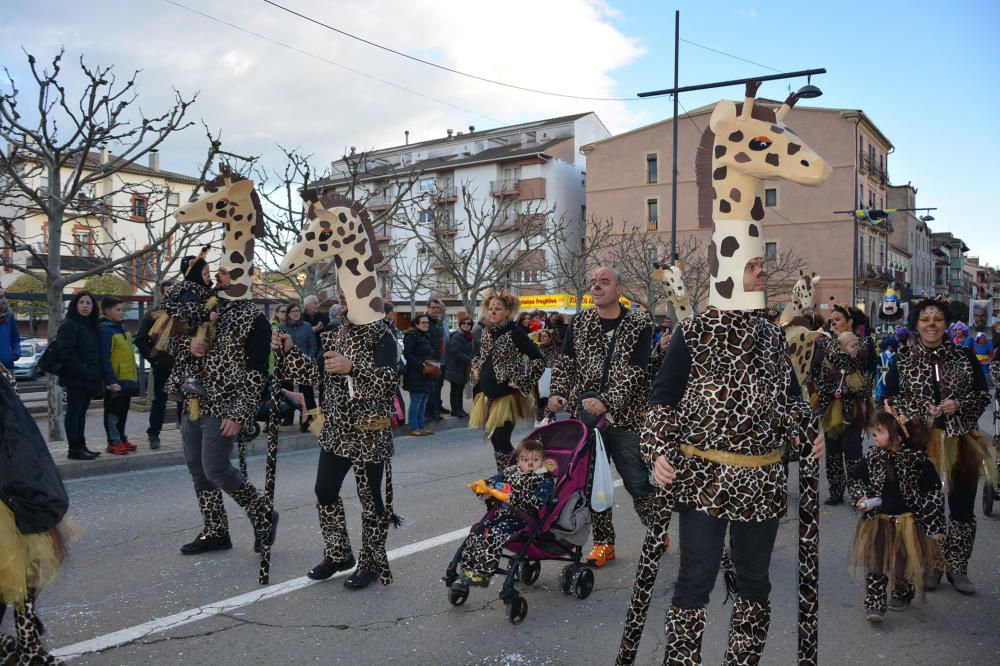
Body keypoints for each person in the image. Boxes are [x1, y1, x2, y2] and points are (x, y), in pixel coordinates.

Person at [644, 250, 824, 663]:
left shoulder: (773, 335)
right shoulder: (696, 332)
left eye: (762, 266)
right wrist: (657, 450)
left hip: (761, 482)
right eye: (752, 266)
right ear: (726, 273)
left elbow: (792, 400)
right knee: (696, 578)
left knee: (755, 582)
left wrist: (809, 433)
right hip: (705, 480)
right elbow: (663, 399)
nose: (762, 273)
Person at [273, 295, 400, 590]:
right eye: (342, 296)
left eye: (350, 295)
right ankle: (338, 553)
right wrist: (290, 351)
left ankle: (370, 562)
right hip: (337, 428)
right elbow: (316, 374)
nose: (345, 301)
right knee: (325, 490)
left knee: (370, 498)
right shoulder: (335, 332)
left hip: (369, 428)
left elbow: (390, 383)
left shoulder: (383, 334)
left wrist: (352, 368)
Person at [884, 297, 995, 595]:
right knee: (927, 507)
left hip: (961, 439)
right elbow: (889, 398)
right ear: (916, 324)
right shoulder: (903, 359)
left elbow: (983, 394)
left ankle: (958, 568)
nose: (931, 324)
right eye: (925, 319)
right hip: (920, 443)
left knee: (961, 506)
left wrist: (957, 403)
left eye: (937, 319)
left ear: (946, 324)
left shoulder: (963, 355)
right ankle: (933, 564)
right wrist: (922, 409)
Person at [548, 267, 654, 567]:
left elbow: (636, 370)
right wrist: (557, 393)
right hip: (587, 419)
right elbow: (566, 362)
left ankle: (657, 531)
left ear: (619, 289)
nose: (596, 287)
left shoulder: (639, 325)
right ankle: (604, 543)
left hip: (628, 417)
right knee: (594, 483)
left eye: (604, 283)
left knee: (637, 483)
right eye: (593, 283)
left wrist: (606, 400)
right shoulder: (580, 322)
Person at [171, 263, 277, 557]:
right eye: (218, 271)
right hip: (193, 402)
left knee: (216, 468)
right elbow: (171, 342)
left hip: (224, 406)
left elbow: (257, 372)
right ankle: (216, 530)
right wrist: (189, 344)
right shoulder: (204, 308)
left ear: (244, 277)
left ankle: (263, 515)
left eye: (226, 272)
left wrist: (241, 413)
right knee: (198, 471)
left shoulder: (254, 319)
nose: (218, 277)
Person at [0, 362, 80, 664]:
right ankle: (25, 646)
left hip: (10, 487)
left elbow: (16, 434)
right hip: (10, 486)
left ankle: (28, 646)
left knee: (25, 570)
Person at [847, 411, 945, 623]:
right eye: (875, 430)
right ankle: (874, 602)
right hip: (878, 520)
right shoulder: (873, 457)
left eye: (880, 431)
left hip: (907, 521)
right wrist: (860, 496)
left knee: (901, 561)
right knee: (876, 560)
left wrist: (934, 524)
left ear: (898, 438)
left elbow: (932, 493)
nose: (874, 434)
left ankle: (901, 591)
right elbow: (856, 479)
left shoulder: (917, 461)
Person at [451, 436, 555, 592]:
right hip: (502, 514)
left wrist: (512, 498)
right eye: (525, 459)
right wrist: (483, 486)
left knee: (493, 534)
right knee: (478, 531)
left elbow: (536, 503)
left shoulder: (544, 480)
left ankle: (483, 572)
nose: (530, 463)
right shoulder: (511, 472)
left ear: (543, 461)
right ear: (518, 460)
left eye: (535, 459)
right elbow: (495, 480)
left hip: (523, 519)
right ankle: (468, 569)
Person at [470, 290, 545, 472]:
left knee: (502, 440)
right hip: (488, 395)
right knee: (496, 440)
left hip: (507, 398)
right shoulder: (487, 332)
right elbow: (482, 356)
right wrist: (476, 367)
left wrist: (522, 379)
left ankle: (519, 474)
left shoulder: (515, 333)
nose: (492, 312)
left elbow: (538, 359)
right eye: (490, 308)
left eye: (498, 309)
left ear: (508, 312)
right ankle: (506, 476)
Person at [812, 304, 876, 506]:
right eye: (832, 320)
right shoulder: (825, 343)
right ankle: (836, 490)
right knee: (832, 448)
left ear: (850, 322)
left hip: (854, 404)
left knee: (852, 448)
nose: (834, 323)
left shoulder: (864, 343)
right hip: (832, 404)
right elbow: (816, 369)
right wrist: (828, 389)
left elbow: (870, 371)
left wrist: (853, 388)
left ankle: (858, 491)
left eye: (838, 319)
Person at [56, 292, 104, 461]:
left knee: (81, 413)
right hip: (75, 378)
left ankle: (81, 446)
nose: (85, 306)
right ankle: (74, 449)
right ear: (75, 305)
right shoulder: (69, 325)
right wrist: (83, 370)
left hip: (88, 378)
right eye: (81, 302)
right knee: (74, 413)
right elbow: (66, 353)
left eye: (88, 303)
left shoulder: (91, 326)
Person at [135, 282, 176, 450]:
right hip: (162, 364)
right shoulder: (153, 314)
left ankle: (188, 434)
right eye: (168, 292)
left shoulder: (186, 313)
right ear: (162, 294)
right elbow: (140, 339)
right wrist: (155, 359)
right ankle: (153, 434)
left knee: (186, 399)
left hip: (182, 363)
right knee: (160, 400)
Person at [98, 297, 139, 455]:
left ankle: (121, 438)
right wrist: (111, 380)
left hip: (128, 378)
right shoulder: (105, 330)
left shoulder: (122, 328)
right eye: (118, 309)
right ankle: (113, 442)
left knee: (123, 410)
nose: (122, 312)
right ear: (108, 311)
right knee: (113, 412)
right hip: (116, 380)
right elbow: (105, 358)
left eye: (122, 309)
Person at [281, 303, 320, 433]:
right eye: (293, 311)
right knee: (288, 394)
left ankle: (311, 422)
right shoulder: (282, 327)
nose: (296, 313)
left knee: (308, 394)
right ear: (288, 314)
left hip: (305, 364)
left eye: (298, 311)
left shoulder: (307, 327)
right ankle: (288, 418)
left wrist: (308, 359)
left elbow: (313, 345)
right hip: (288, 365)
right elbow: (279, 347)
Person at [402, 314, 435, 436]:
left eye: (427, 322)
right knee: (416, 401)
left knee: (423, 401)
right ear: (416, 324)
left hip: (427, 373)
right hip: (415, 374)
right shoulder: (411, 336)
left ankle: (421, 426)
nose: (426, 324)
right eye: (423, 322)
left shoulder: (425, 335)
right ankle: (413, 427)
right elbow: (408, 355)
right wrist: (421, 366)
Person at [445, 311, 474, 419]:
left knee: (460, 390)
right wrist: (469, 360)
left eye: (468, 324)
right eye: (464, 324)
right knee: (455, 390)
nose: (466, 325)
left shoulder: (468, 336)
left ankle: (459, 409)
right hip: (455, 367)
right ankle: (455, 410)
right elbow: (454, 351)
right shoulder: (458, 336)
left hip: (462, 368)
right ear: (460, 325)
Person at [425, 298, 448, 419]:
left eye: (437, 308)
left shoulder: (438, 322)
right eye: (433, 307)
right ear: (428, 308)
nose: (435, 310)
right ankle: (429, 413)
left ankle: (435, 411)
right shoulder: (425, 322)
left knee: (437, 387)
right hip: (431, 361)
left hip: (440, 361)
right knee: (431, 388)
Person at [534, 327, 561, 423]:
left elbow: (557, 363)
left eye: (545, 336)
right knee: (539, 400)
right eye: (541, 336)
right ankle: (540, 418)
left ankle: (550, 418)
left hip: (550, 377)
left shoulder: (555, 350)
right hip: (537, 378)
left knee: (549, 398)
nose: (542, 338)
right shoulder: (536, 349)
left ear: (550, 338)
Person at [0, 286, 20, 373]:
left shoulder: (8, 315)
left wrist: (15, 353)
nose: (1, 300)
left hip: (6, 367)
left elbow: (15, 338)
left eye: (1, 297)